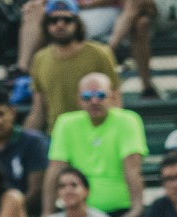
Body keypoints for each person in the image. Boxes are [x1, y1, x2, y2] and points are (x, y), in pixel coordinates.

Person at [45, 72, 147, 217]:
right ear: (79, 100)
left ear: (112, 97)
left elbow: (132, 170)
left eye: (100, 95)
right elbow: (55, 170)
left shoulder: (128, 120)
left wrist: (136, 210)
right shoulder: (65, 123)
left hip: (120, 209)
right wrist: (46, 214)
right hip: (78, 211)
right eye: (87, 96)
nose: (94, 101)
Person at [18, 0, 158, 98]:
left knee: (64, 19)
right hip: (72, 8)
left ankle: (107, 52)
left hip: (101, 11)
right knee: (35, 9)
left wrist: (83, 3)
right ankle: (22, 71)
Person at [25, 0, 120, 136]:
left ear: (77, 23)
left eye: (67, 20)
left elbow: (115, 99)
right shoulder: (40, 59)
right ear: (46, 24)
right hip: (58, 137)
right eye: (54, 20)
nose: (60, 25)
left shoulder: (100, 54)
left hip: (95, 135)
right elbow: (39, 110)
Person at [0, 85, 50, 211]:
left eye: (0, 114)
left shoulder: (34, 142)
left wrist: (7, 215)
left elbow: (35, 192)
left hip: (25, 213)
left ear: (12, 112)